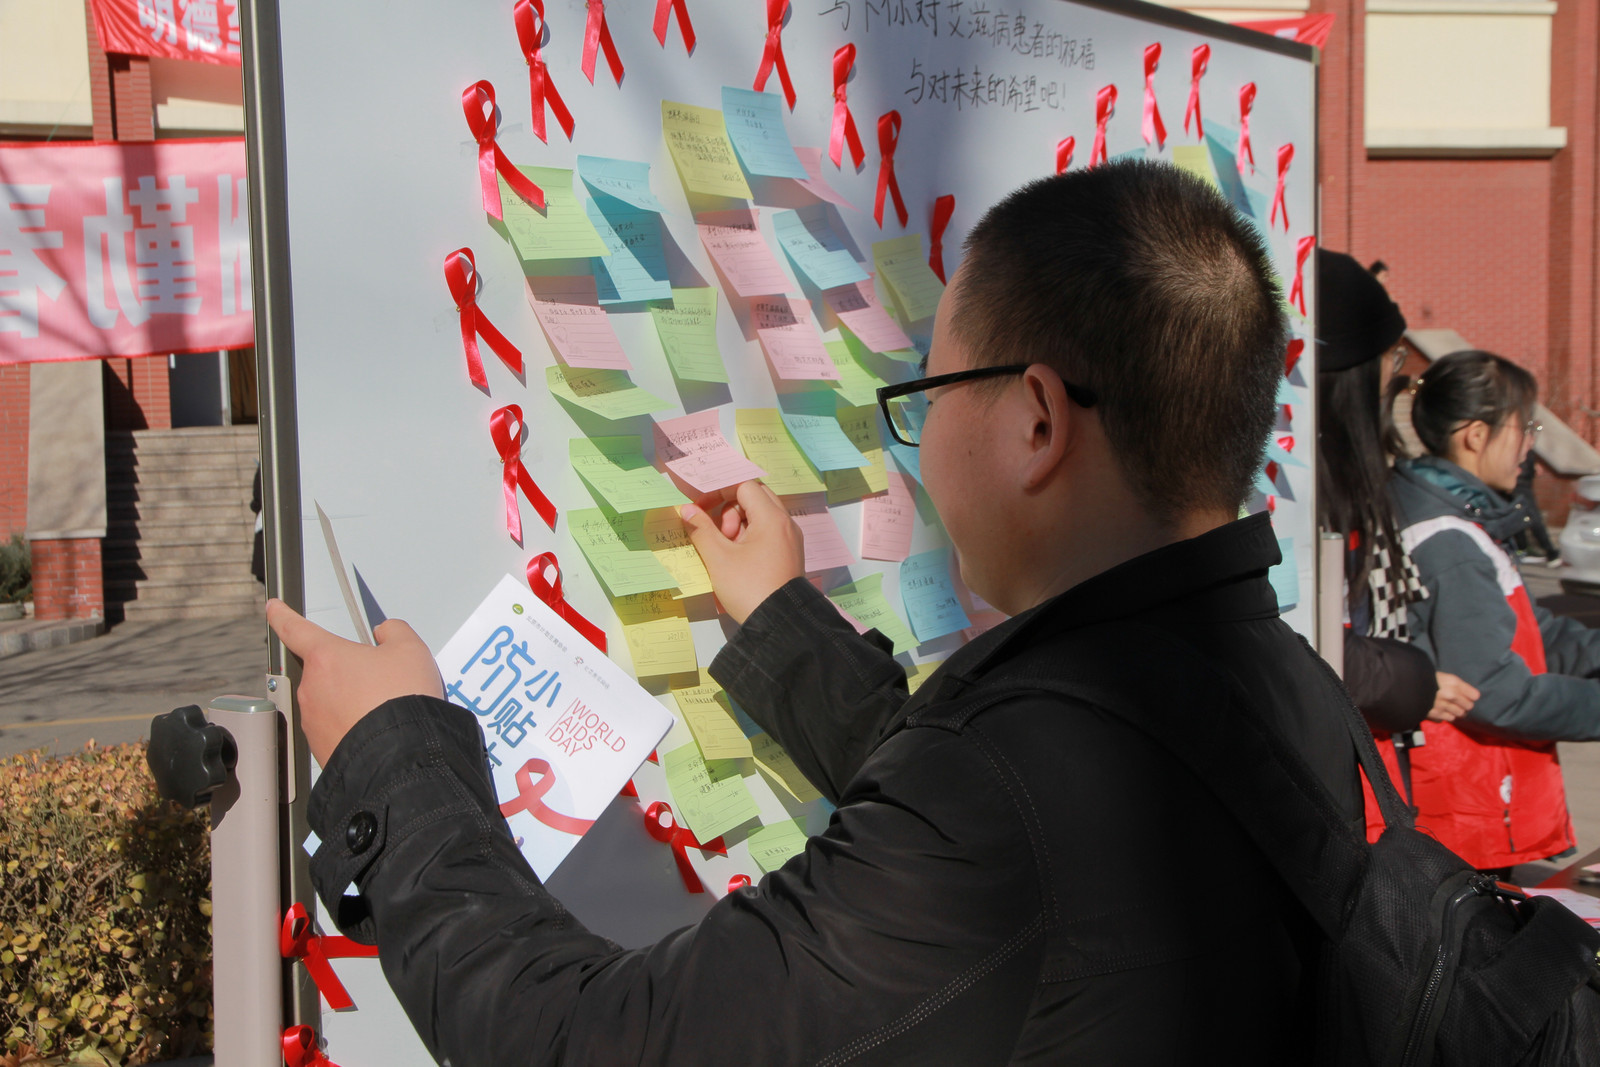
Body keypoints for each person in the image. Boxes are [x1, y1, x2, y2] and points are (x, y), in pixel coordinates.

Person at [267, 161, 1363, 1063]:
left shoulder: (1010, 805)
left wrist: (395, 760)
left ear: (1036, 422)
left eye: (926, 394)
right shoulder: (1288, 688)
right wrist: (785, 626)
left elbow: (592, 1043)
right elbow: (997, 811)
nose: (919, 440)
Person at [1388, 350, 1600, 876]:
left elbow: (1536, 634)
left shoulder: (1458, 516)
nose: (1529, 446)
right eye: (1523, 428)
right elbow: (1497, 691)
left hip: (1473, 805)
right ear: (1476, 436)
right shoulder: (1447, 539)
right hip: (1461, 817)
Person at [1314, 249, 1478, 742]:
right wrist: (1413, 682)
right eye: (1393, 357)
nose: (1396, 376)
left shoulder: (1344, 480)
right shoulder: (1295, 494)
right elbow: (1310, 639)